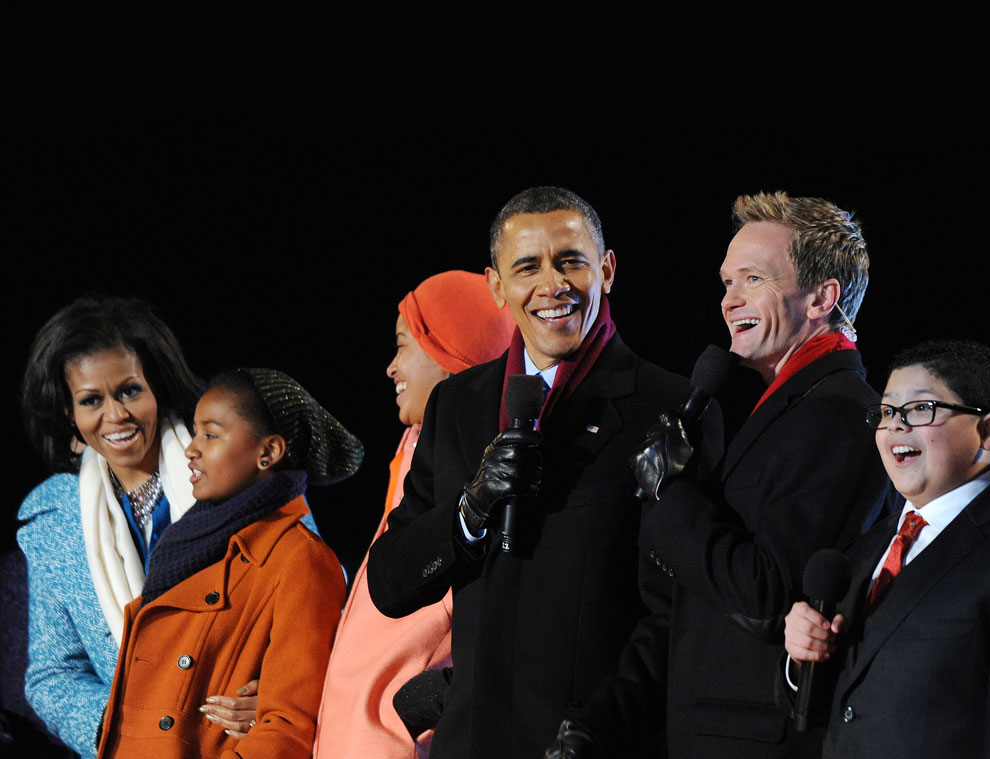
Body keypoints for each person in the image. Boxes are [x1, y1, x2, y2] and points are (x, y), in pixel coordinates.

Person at [365, 186, 690, 758]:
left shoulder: (666, 407)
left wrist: (603, 731)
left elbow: (676, 613)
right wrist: (469, 511)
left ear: (607, 269)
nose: (552, 284)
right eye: (527, 267)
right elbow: (390, 584)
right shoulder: (457, 406)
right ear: (496, 286)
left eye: (571, 261)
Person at [602, 192, 892, 758]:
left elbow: (767, 592)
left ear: (822, 298)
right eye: (726, 282)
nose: (729, 301)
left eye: (753, 279)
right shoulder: (781, 406)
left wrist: (672, 493)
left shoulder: (841, 412)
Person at [17, 296, 272, 758]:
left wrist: (276, 692)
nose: (115, 415)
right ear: (70, 415)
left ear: (158, 386)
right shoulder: (53, 522)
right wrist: (133, 733)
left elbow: (319, 602)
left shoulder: (239, 468)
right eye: (91, 400)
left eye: (130, 391)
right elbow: (53, 675)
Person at [96, 367, 362, 759]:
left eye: (211, 434)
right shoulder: (189, 542)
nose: (191, 448)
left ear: (268, 452)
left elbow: (288, 728)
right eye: (195, 431)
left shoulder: (300, 559)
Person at [783, 339, 990, 757]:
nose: (895, 425)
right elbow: (830, 709)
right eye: (888, 411)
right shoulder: (868, 547)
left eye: (921, 409)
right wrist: (801, 658)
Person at [313, 270, 515, 758]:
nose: (390, 367)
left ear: (451, 350)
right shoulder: (414, 450)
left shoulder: (485, 463)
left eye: (404, 344)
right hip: (357, 735)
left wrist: (426, 704)